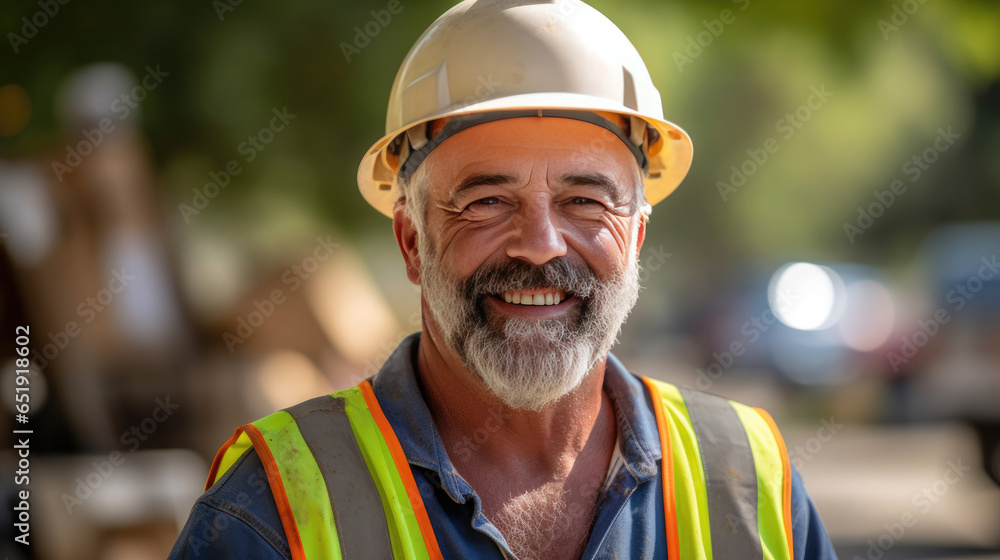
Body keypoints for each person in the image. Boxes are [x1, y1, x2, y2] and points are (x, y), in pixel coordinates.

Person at [168, 0, 838, 558]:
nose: (541, 248)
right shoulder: (273, 511)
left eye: (585, 201)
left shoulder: (751, 485)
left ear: (634, 238)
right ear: (411, 242)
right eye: (488, 201)